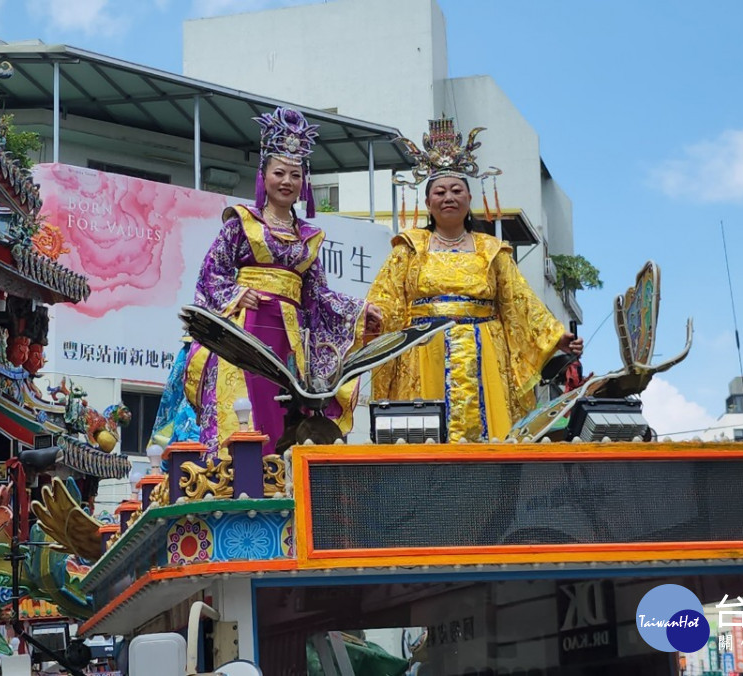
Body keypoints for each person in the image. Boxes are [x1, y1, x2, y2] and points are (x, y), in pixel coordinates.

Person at [182, 107, 382, 456]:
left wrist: (359, 311)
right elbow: (211, 274)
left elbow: (318, 296)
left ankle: (282, 476)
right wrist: (235, 294)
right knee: (243, 404)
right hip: (245, 331)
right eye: (279, 173)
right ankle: (235, 475)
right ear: (263, 177)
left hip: (289, 338)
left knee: (284, 411)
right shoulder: (240, 225)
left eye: (295, 175)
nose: (287, 182)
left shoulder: (309, 238)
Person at [367, 118, 582, 442]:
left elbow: (519, 301)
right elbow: (387, 298)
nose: (448, 197)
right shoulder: (409, 247)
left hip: (485, 356)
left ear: (469, 199)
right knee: (425, 436)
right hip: (424, 350)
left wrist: (553, 336)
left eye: (456, 190)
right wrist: (372, 319)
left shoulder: (491, 250)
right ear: (428, 203)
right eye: (440, 192)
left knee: (489, 438)